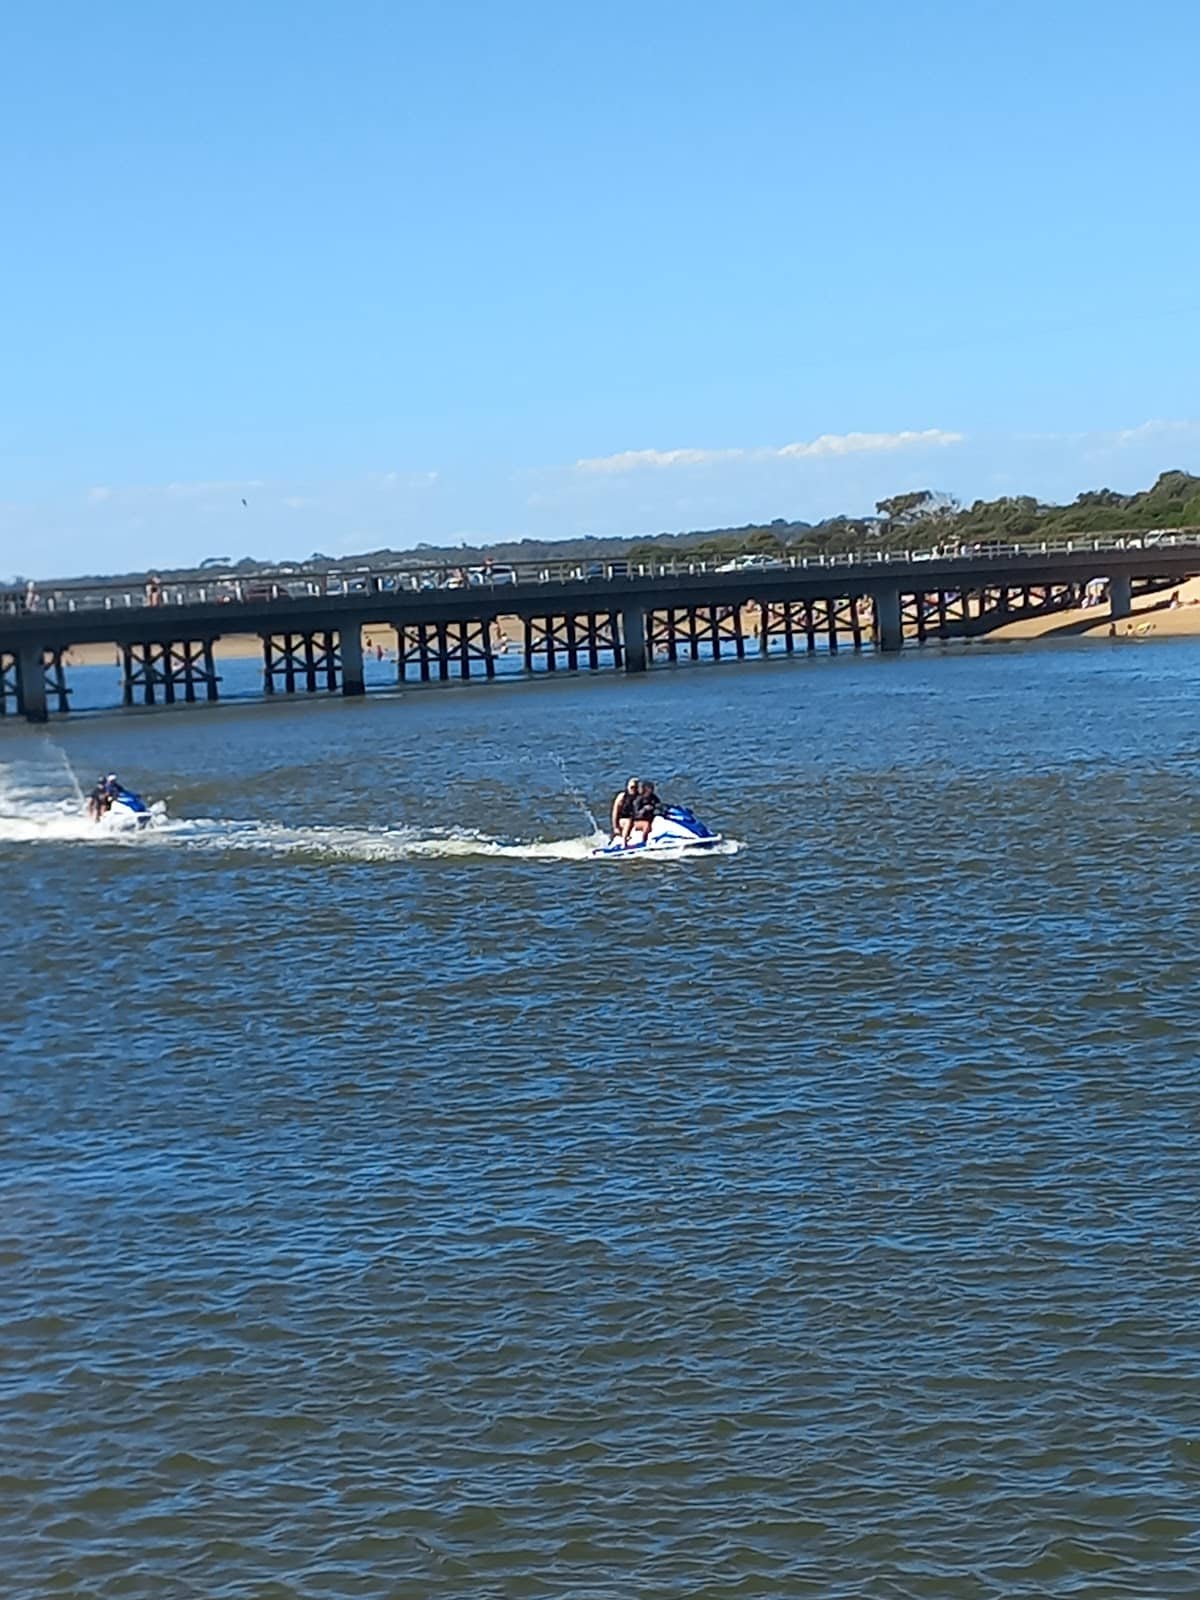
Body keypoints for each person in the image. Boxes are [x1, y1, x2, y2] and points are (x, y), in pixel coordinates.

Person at [630, 778, 663, 846]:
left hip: (650, 818)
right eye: (650, 788)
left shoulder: (654, 797)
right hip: (637, 821)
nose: (652, 790)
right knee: (646, 825)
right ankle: (644, 842)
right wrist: (644, 809)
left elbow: (659, 805)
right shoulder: (639, 799)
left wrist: (660, 808)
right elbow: (635, 814)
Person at [610, 776, 640, 846]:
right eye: (632, 787)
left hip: (634, 819)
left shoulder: (639, 797)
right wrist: (615, 827)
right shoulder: (622, 796)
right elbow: (615, 812)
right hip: (622, 820)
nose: (633, 789)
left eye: (636, 787)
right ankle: (624, 842)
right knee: (628, 821)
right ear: (627, 787)